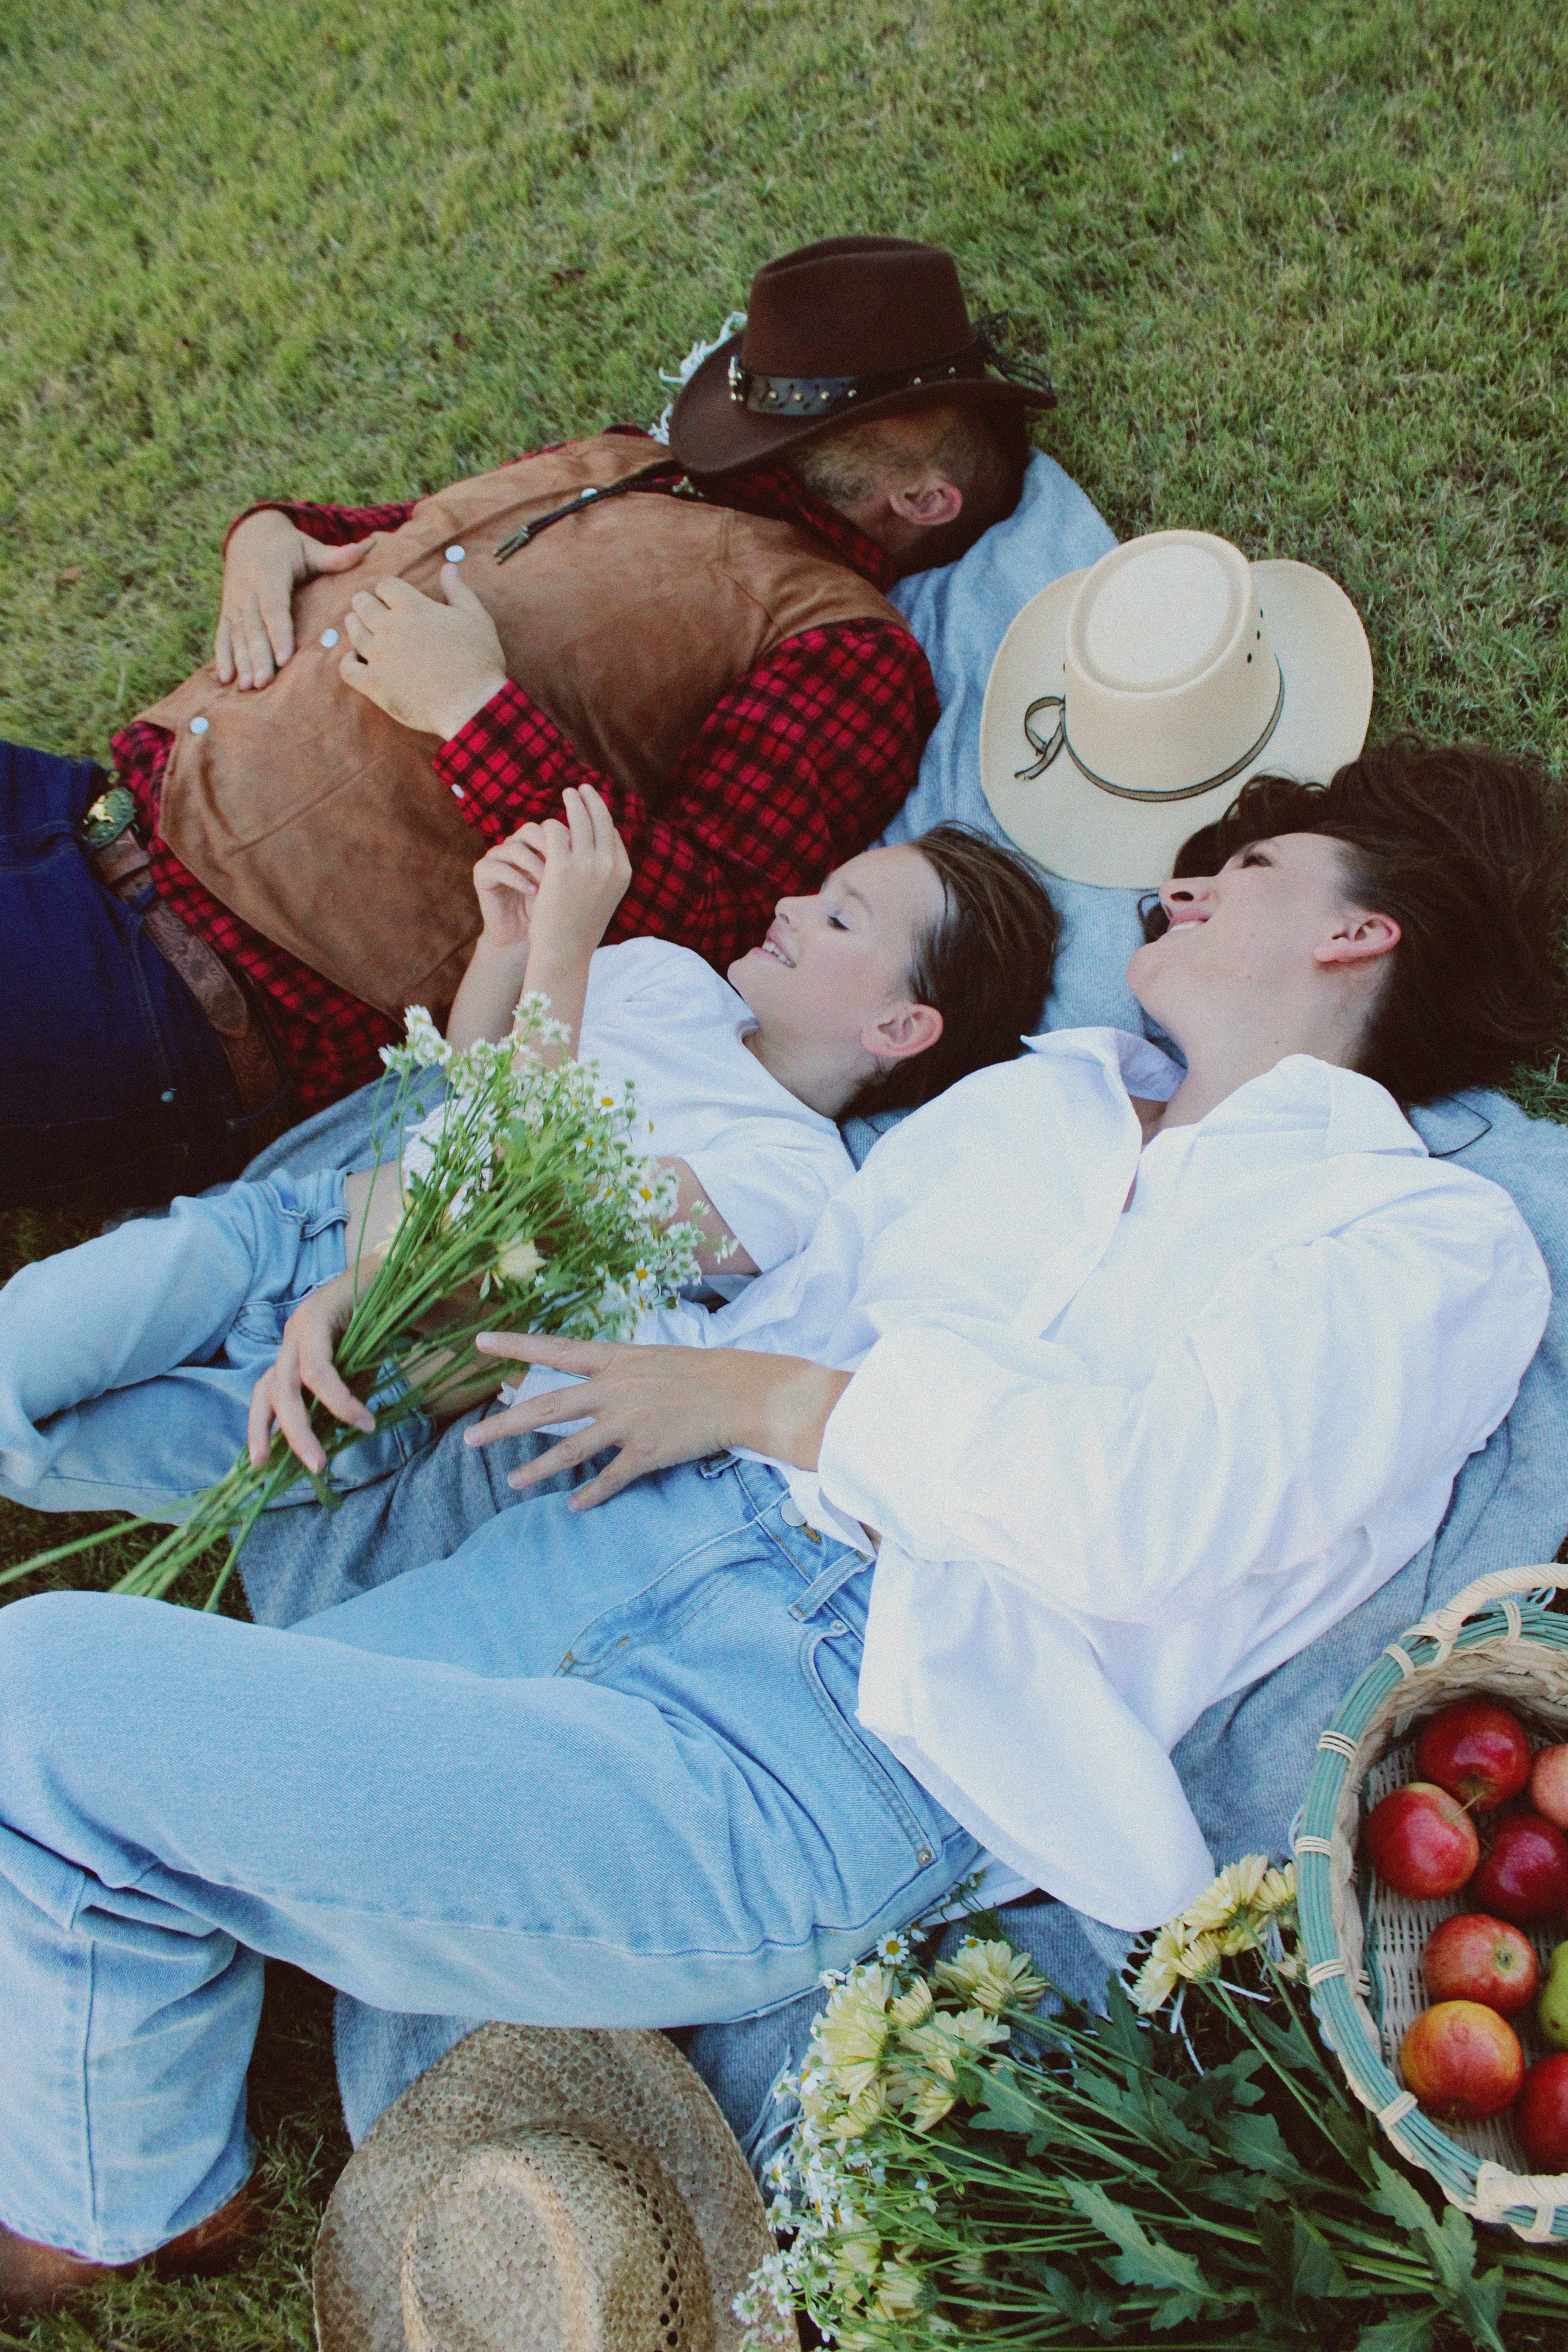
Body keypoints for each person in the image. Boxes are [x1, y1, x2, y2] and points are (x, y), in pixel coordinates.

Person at [0, 725, 1559, 2310]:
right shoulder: (1034, 1105)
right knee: (148, 1770)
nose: (1181, 887)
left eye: (1246, 872)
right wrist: (422, 1302)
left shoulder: (1424, 1243)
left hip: (839, 1726)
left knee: (41, 1707)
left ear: (1360, 931)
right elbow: (744, 1317)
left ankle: (111, 2197)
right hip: (621, 1525)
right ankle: (150, 2163)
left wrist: (783, 1409)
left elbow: (1152, 1513)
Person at [1, 236, 1052, 1212]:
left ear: (924, 500)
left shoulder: (846, 650)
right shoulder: (636, 458)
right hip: (90, 799)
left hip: (182, 984)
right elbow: (411, 539)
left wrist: (474, 713)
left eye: (826, 405)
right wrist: (277, 533)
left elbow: (714, 930)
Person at [0, 793, 1058, 1524]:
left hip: (389, 1364)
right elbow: (471, 1077)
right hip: (294, 1228)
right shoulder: (668, 978)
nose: (788, 904)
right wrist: (510, 944)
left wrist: (560, 954)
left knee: (40, 1446)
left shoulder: (795, 1180)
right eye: (815, 888)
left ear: (900, 1031)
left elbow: (519, 1212)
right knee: (17, 1353)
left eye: (837, 918)